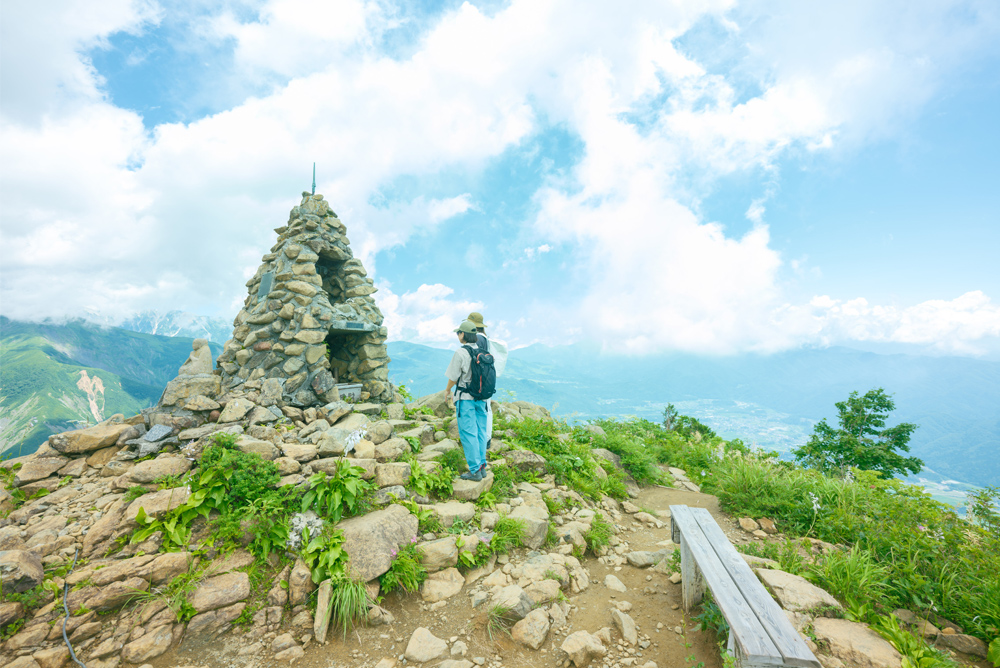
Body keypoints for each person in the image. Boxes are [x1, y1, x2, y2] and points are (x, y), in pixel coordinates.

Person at [445, 320, 489, 481]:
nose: (458, 335)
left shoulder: (461, 353)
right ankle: (482, 467)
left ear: (463, 334)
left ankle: (474, 470)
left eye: (459, 333)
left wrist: (447, 390)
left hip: (466, 399)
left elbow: (453, 377)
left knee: (468, 433)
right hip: (481, 398)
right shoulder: (482, 351)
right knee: (481, 432)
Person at [466, 312, 508, 447]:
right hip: (487, 378)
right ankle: (486, 438)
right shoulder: (485, 338)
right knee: (486, 408)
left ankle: (484, 439)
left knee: (483, 409)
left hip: (480, 380)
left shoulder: (478, 339)